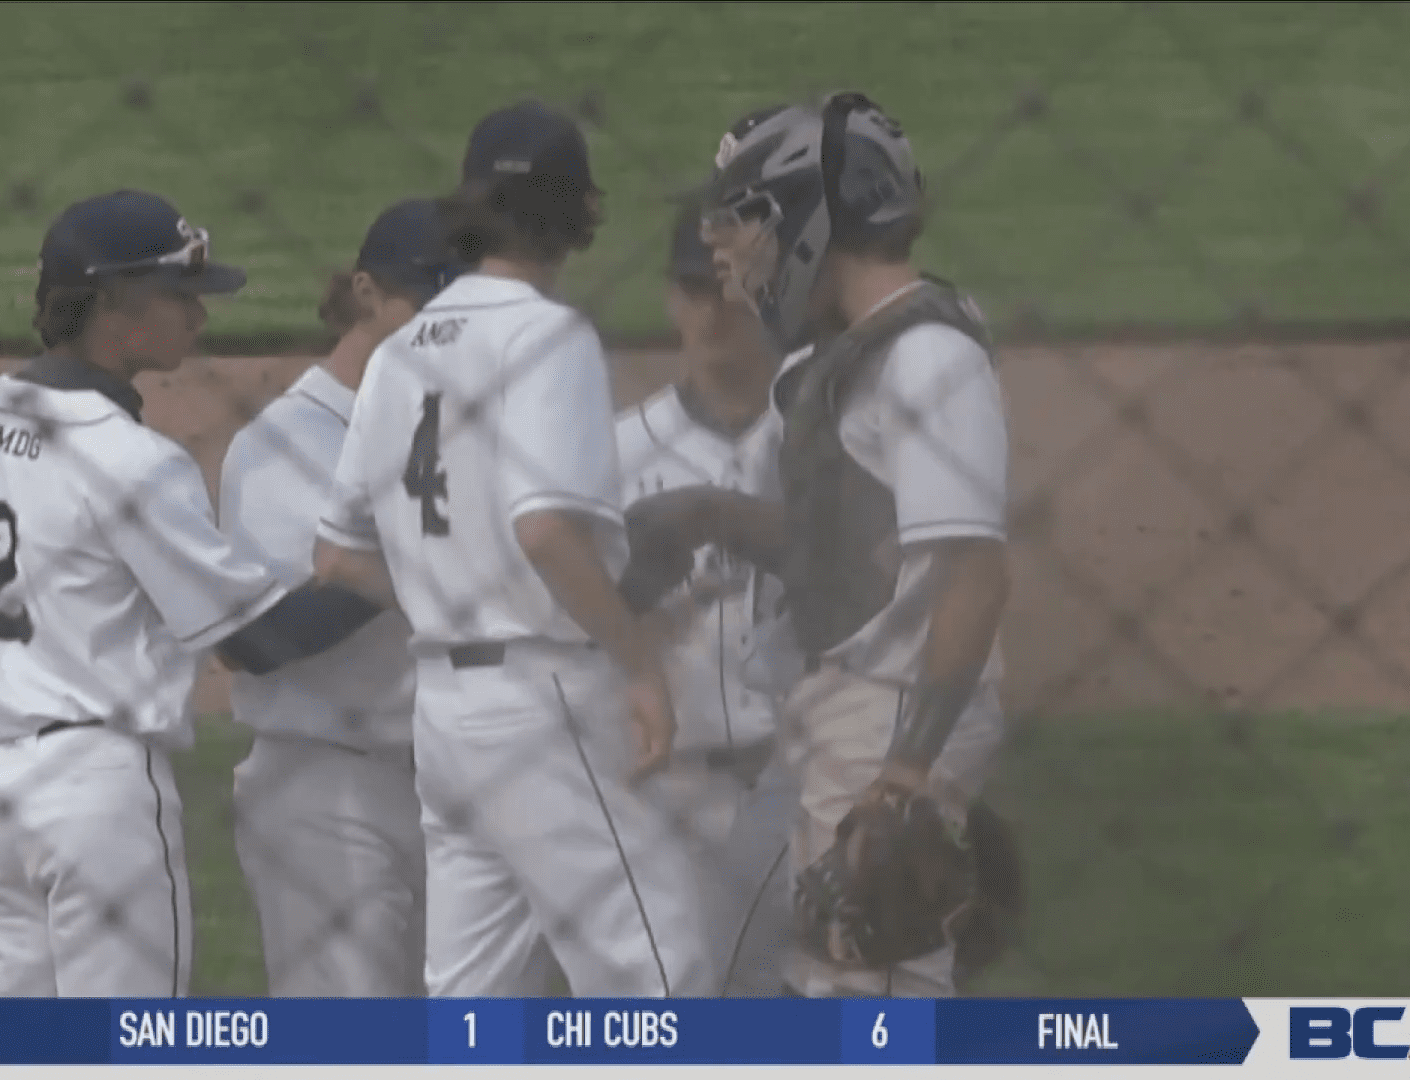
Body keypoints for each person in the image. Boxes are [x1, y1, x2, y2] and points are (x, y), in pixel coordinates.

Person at [0, 190, 379, 996]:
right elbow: (254, 642)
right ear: (114, 310)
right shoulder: (134, 462)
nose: (200, 320)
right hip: (95, 806)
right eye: (181, 298)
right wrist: (399, 572)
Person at [312, 100, 717, 998]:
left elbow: (334, 557)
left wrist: (449, 596)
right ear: (578, 215)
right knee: (661, 976)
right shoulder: (548, 335)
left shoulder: (399, 351)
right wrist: (641, 661)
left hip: (444, 720)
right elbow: (546, 529)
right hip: (547, 706)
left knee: (471, 1005)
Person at [629, 93, 1011, 998]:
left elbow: (974, 575)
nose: (729, 256)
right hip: (839, 709)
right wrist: (712, 515)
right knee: (764, 973)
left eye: (745, 222)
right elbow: (848, 545)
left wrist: (906, 773)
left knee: (867, 993)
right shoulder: (854, 355)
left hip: (890, 715)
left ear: (806, 217)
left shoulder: (929, 361)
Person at [219, 198, 467, 997]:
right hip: (331, 792)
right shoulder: (283, 443)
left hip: (464, 786)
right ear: (367, 294)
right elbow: (260, 639)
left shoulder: (460, 427)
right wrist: (420, 551)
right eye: (431, 297)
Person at [612, 201, 798, 997]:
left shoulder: (822, 441)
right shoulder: (616, 449)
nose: (714, 311)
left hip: (801, 782)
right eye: (696, 289)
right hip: (666, 797)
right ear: (670, 299)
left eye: (728, 288)